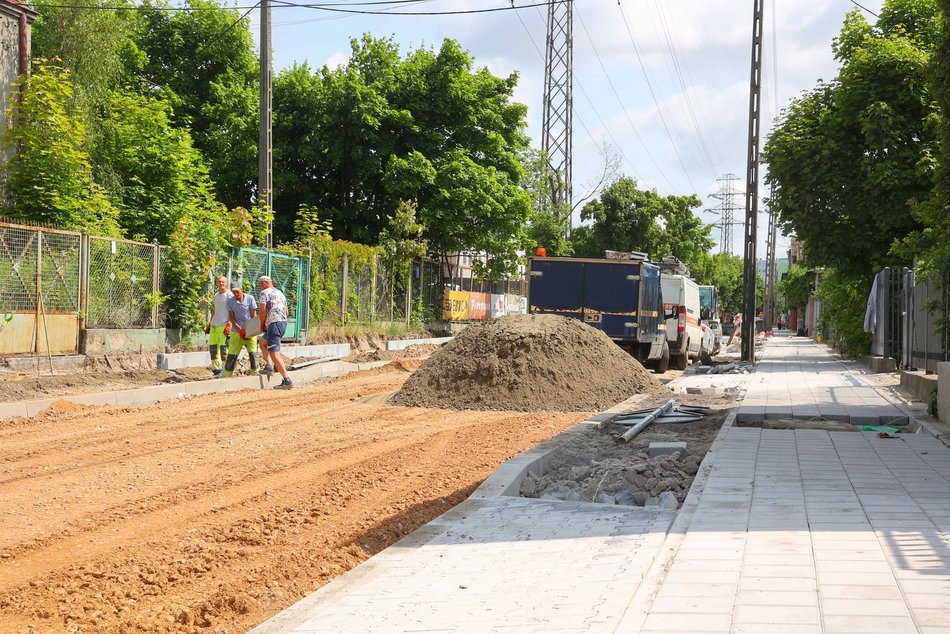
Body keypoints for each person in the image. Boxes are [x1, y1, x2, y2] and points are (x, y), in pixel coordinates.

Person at [257, 275, 293, 389]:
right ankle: (269, 366)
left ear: (263, 283)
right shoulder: (280, 293)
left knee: (274, 353)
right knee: (262, 342)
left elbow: (262, 310)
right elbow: (286, 311)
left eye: (260, 285)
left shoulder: (264, 293)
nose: (260, 288)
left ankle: (287, 380)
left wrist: (262, 324)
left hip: (274, 324)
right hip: (282, 323)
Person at [223, 284, 259, 377]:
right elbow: (231, 317)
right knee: (232, 352)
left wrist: (251, 330)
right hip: (236, 331)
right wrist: (240, 329)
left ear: (242, 290)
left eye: (237, 292)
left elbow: (254, 315)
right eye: (234, 292)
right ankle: (227, 374)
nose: (236, 294)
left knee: (253, 352)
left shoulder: (250, 298)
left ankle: (255, 373)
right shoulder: (230, 301)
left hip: (250, 331)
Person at [208, 275, 232, 377]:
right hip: (214, 325)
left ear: (226, 283)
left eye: (223, 282)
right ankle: (216, 370)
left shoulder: (229, 295)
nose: (221, 284)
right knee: (213, 348)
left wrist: (229, 325)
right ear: (216, 283)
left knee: (223, 349)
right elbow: (214, 310)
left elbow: (232, 311)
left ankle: (225, 370)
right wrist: (210, 323)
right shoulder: (216, 295)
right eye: (219, 282)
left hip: (224, 325)